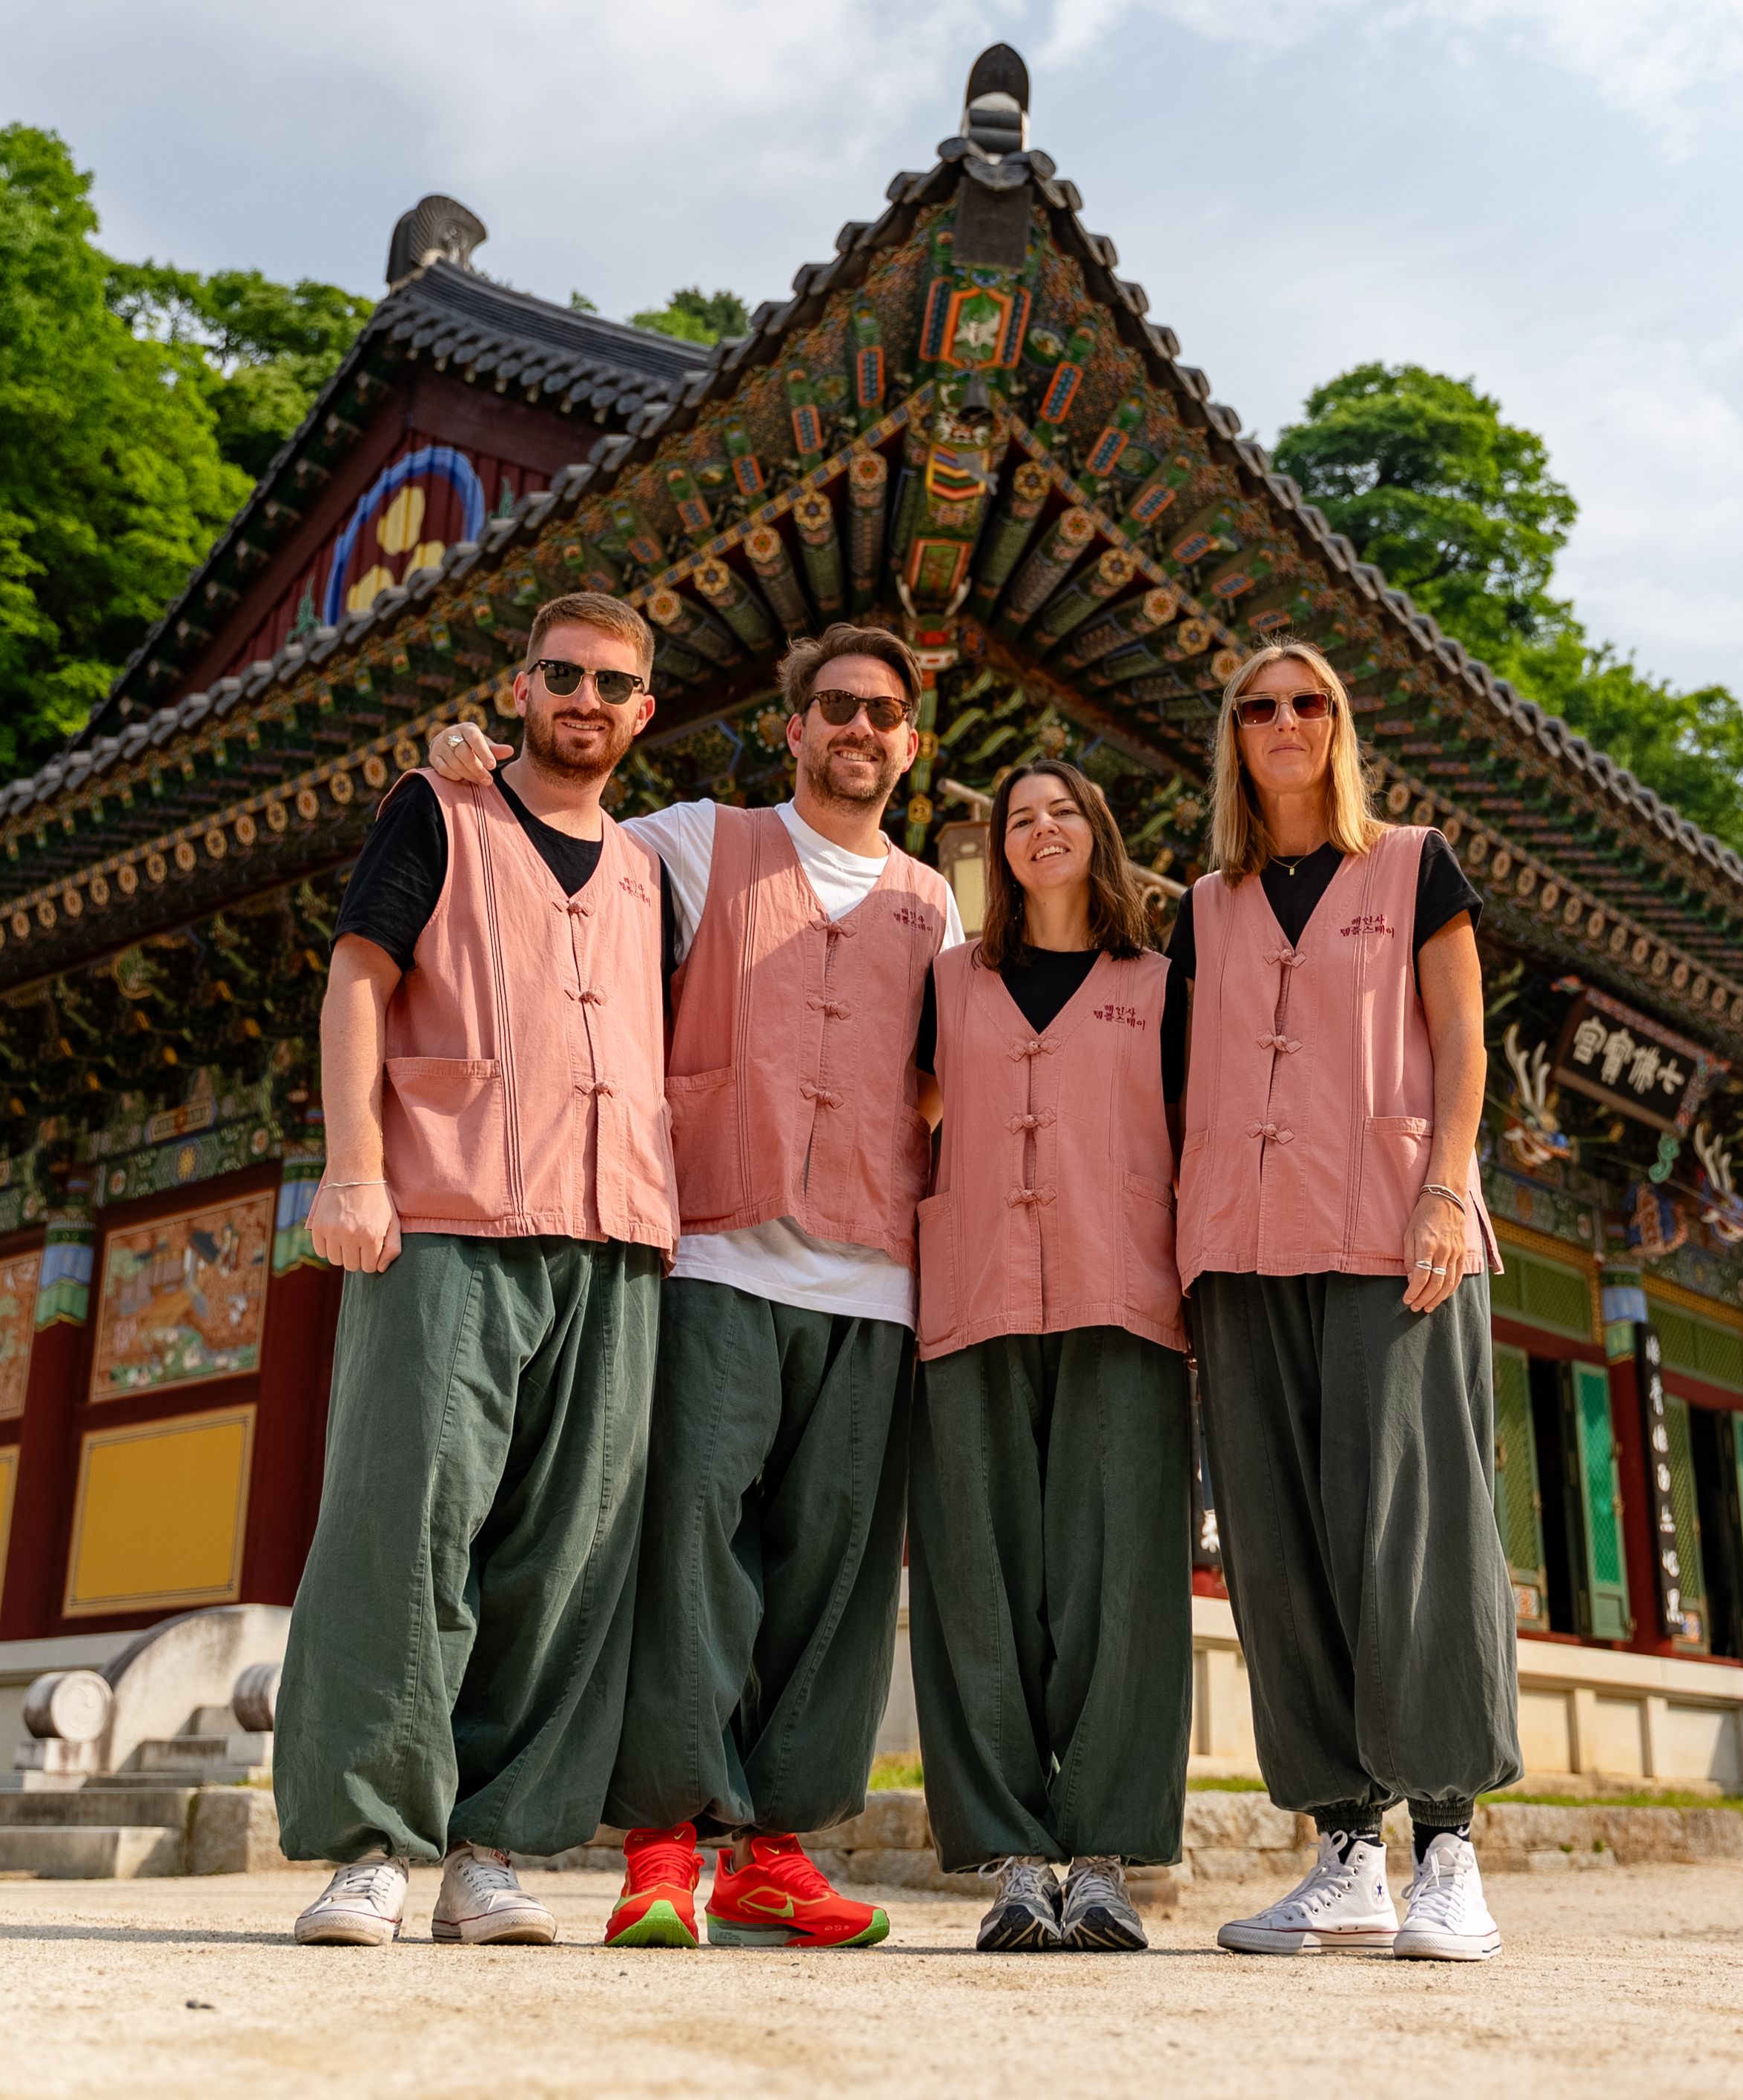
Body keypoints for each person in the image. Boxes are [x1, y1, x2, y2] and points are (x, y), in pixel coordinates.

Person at [422, 622, 965, 1950]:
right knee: (692, 1553)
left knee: (832, 1573)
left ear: (911, 742)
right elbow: (557, 827)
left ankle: (776, 1849)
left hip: (876, 1271)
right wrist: (472, 767)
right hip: (719, 1244)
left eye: (884, 714)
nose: (860, 730)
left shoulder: (936, 901)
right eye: (835, 706)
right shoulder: (693, 841)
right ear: (793, 726)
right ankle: (662, 1843)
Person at [277, 592, 676, 1950]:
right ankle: (370, 1843)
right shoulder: (437, 810)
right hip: (448, 1209)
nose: (585, 699)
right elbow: (356, 977)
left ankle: (488, 1846)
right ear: (519, 690)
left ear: (644, 712)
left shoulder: (646, 869)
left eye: (611, 683)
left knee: (563, 1550)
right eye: (561, 675)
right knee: (406, 1527)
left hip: (614, 1229)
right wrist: (352, 1165)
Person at [1171, 639, 1516, 1962]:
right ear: (1234, 736)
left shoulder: (1414, 862)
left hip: (1394, 1232)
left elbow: (1465, 1041)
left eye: (1310, 701)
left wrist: (1447, 1189)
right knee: (1280, 1545)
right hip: (1244, 1247)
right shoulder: (1207, 903)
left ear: (1341, 722)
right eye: (1259, 707)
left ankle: (1450, 1851)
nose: (1285, 722)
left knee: (1412, 1532)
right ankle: (1344, 1851)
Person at [905, 759, 1194, 1953]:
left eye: (1065, 810)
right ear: (998, 853)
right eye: (1019, 818)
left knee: (1120, 1579)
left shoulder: (1161, 984)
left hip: (1120, 1294)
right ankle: (1017, 1859)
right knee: (977, 1579)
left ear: (1101, 833)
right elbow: (909, 1117)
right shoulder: (949, 981)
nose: (1041, 831)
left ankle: (1107, 1857)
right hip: (970, 1294)